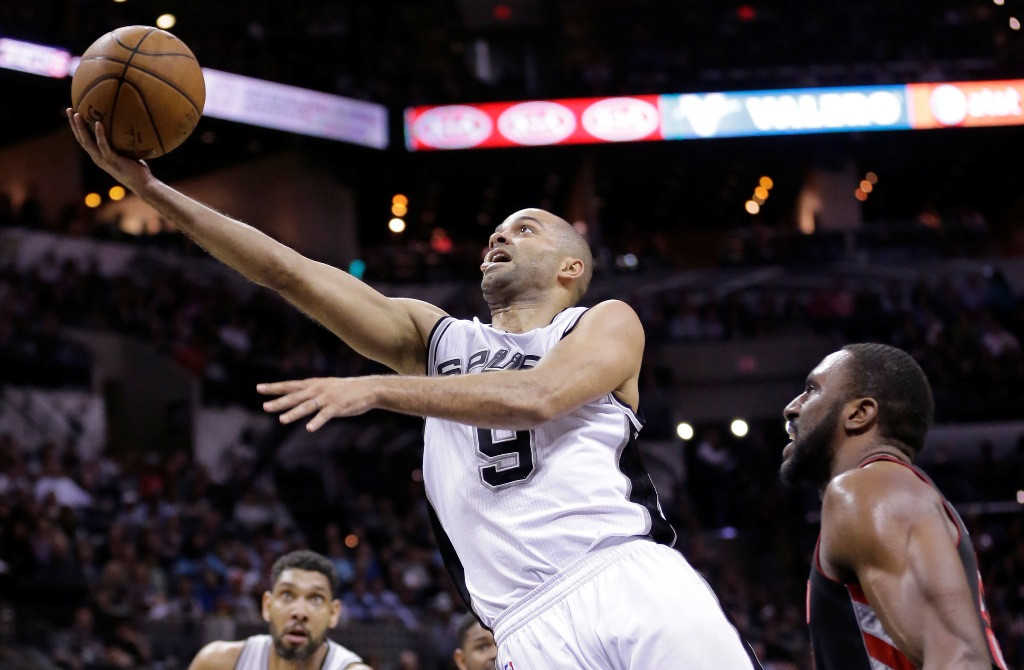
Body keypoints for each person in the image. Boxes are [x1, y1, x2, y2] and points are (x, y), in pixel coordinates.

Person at [68, 111, 760, 669]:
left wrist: (378, 389)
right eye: (498, 227)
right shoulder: (437, 339)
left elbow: (540, 397)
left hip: (622, 578)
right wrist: (151, 191)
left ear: (571, 266)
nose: (499, 233)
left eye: (526, 228)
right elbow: (289, 272)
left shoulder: (604, 322)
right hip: (522, 624)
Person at [780, 343, 1008, 670]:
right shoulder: (893, 492)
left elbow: (961, 658)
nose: (791, 408)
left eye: (811, 390)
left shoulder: (867, 489)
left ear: (860, 414)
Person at [187, 550, 371, 670]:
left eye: (315, 598)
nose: (299, 612)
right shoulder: (217, 663)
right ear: (267, 605)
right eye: (287, 595)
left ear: (333, 613)